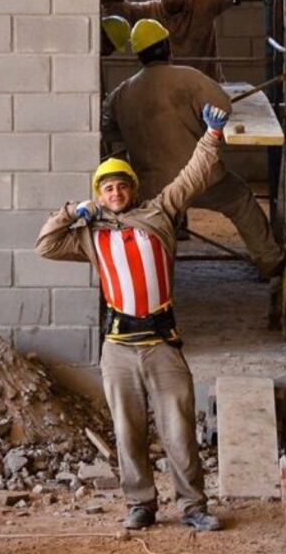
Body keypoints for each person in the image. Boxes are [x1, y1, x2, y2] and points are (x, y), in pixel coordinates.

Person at [35, 104, 232, 532]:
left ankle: (193, 507)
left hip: (161, 342)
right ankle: (141, 503)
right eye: (107, 187)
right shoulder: (89, 234)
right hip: (119, 346)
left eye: (121, 185)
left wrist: (211, 136)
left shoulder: (158, 215)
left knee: (178, 430)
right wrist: (71, 212)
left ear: (133, 189)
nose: (115, 193)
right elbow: (46, 246)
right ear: (99, 193)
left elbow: (192, 177)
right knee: (128, 430)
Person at [102, 18, 284, 279]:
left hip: (153, 187)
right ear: (167, 46)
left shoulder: (123, 92)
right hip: (204, 179)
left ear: (139, 55)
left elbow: (107, 128)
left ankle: (151, 274)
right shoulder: (189, 78)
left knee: (153, 225)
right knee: (241, 201)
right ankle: (269, 261)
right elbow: (223, 107)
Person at [104, 0, 234, 81]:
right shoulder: (150, 11)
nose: (171, 0)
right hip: (171, 87)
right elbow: (122, 8)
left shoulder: (202, 5)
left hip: (206, 84)